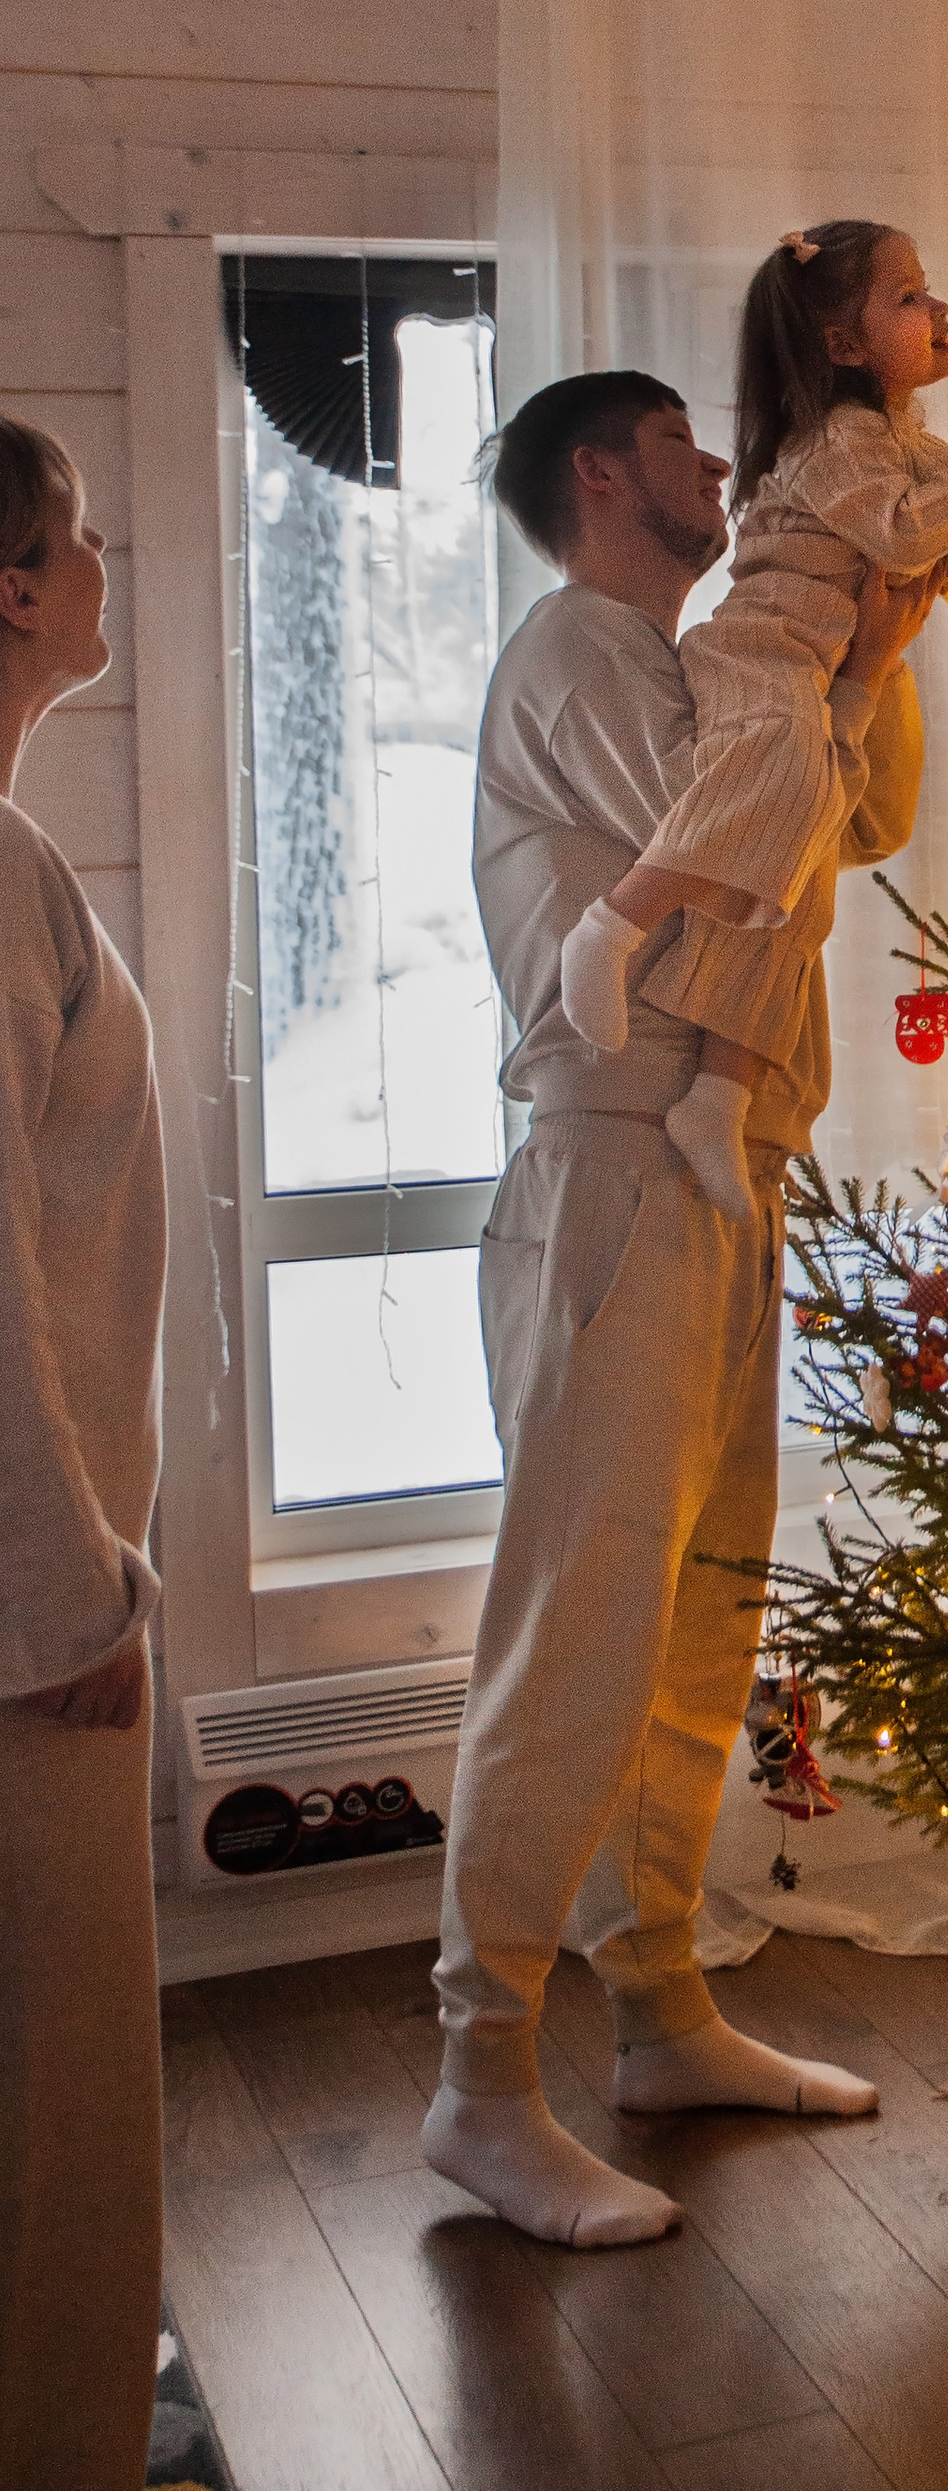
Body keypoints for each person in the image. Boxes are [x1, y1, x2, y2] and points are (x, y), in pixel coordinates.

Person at [422, 368, 938, 2247]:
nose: (720, 470)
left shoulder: (712, 667)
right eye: (684, 447)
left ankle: (660, 2008)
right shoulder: (578, 649)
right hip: (616, 1181)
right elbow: (758, 822)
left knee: (701, 1609)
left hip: (724, 1171)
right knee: (576, 1626)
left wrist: (879, 637)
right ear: (600, 471)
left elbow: (855, 813)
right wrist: (857, 628)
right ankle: (480, 2078)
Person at [558, 226, 948, 1220]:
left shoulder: (908, 447)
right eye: (909, 297)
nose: (939, 309)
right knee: (784, 777)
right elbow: (902, 532)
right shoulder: (836, 444)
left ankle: (719, 1091)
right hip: (764, 656)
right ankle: (610, 928)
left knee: (794, 897)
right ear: (840, 346)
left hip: (825, 677)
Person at [0, 420, 169, 2487]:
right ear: (13, 590)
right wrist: (63, 1602)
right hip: (23, 1628)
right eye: (76, 538)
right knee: (56, 2127)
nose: (102, 558)